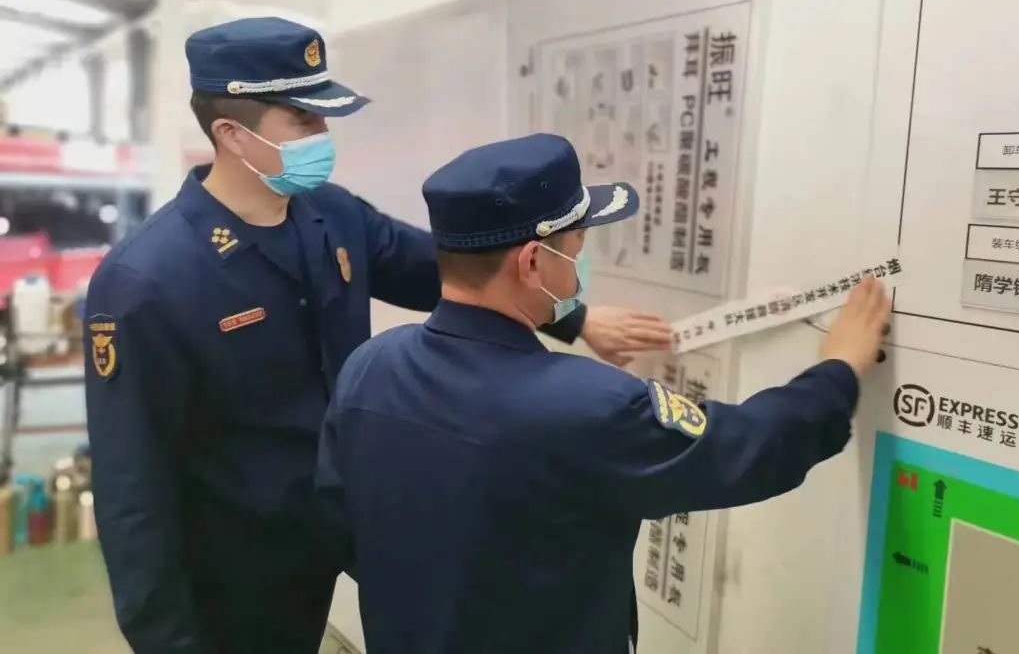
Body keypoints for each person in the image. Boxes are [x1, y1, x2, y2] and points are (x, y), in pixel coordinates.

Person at [83, 19, 672, 654]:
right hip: (232, 566)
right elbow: (131, 487)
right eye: (303, 120)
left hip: (334, 531)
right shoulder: (148, 279)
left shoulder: (332, 215)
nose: (322, 135)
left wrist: (577, 319)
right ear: (232, 133)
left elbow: (451, 271)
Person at [317, 133, 893, 654]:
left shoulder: (370, 367)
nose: (580, 261)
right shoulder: (585, 406)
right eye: (577, 244)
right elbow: (751, 447)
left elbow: (341, 526)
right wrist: (839, 367)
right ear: (533, 261)